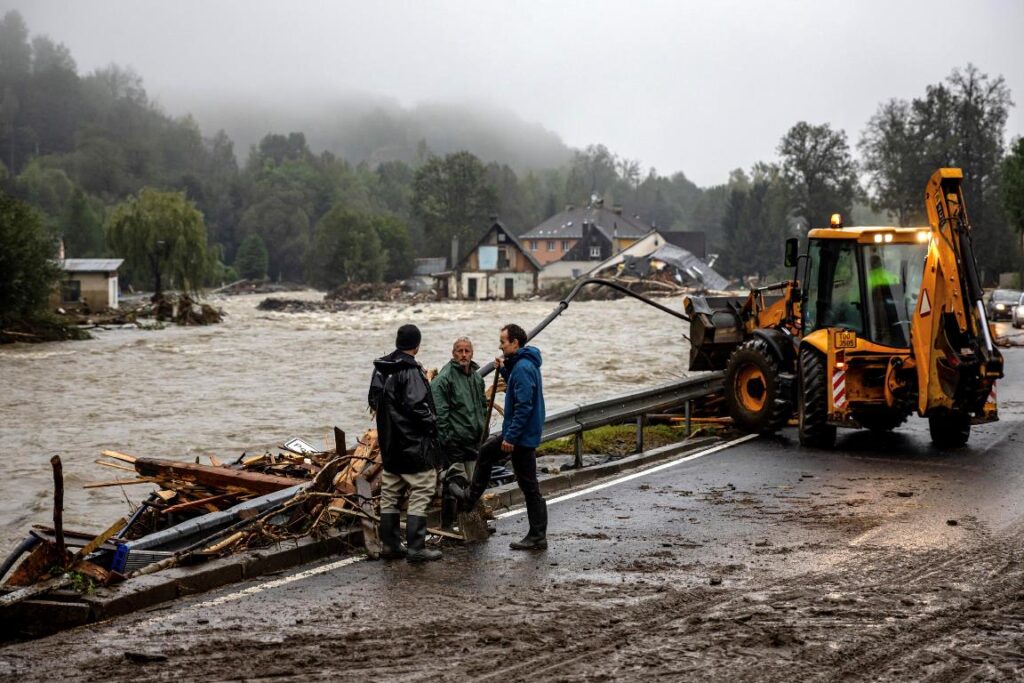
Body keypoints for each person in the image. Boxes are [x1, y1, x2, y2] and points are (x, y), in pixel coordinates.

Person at [452, 323, 548, 550]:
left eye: (503, 341)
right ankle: (537, 535)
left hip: (520, 437)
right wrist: (504, 369)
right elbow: (516, 385)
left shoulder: (523, 368)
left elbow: (524, 406)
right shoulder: (523, 364)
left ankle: (470, 498)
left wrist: (511, 437)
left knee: (525, 482)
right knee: (526, 483)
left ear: (515, 343)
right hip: (523, 434)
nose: (500, 345)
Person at [368, 323, 442, 563]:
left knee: (390, 493)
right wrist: (433, 426)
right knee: (422, 490)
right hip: (413, 446)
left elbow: (373, 400)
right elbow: (418, 406)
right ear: (417, 346)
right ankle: (416, 547)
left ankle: (390, 545)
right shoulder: (410, 371)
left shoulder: (381, 369)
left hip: (390, 445)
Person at [430, 337, 488, 528]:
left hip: (473, 440)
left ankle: (470, 524)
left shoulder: (476, 377)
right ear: (453, 353)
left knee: (472, 483)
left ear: (472, 353)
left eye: (467, 351)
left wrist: (484, 431)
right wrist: (447, 440)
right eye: (459, 351)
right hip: (454, 441)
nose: (463, 355)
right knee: (454, 482)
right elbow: (439, 414)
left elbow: (482, 406)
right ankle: (447, 525)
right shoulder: (444, 380)